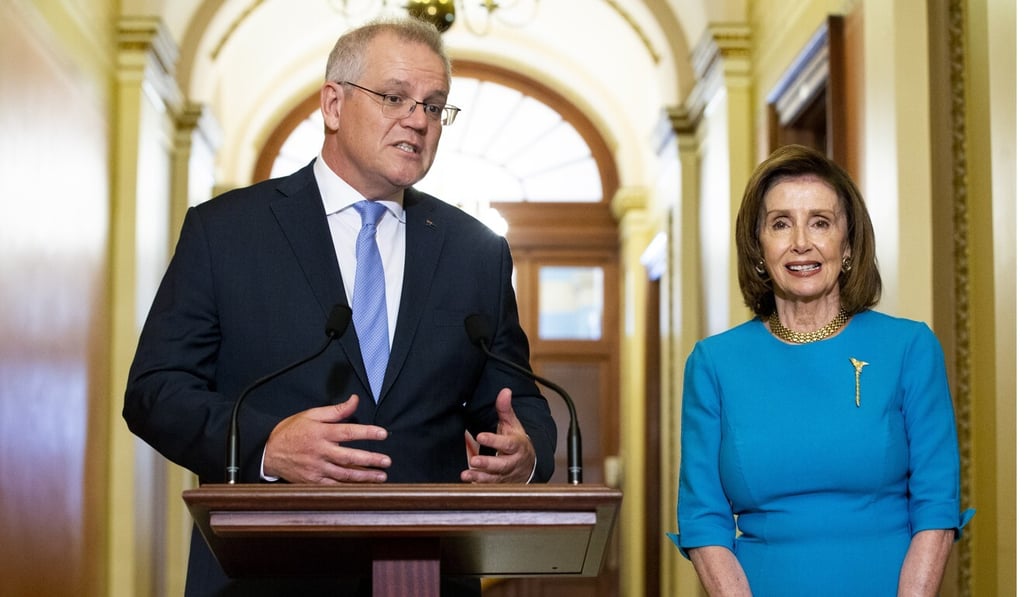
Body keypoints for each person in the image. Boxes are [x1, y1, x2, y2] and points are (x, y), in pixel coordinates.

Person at [123, 16, 557, 597]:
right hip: (264, 576)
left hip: (425, 576)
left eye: (434, 106)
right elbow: (155, 391)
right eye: (395, 97)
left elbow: (518, 403)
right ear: (333, 104)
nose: (417, 120)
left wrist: (523, 454)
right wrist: (267, 444)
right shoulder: (226, 232)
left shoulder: (475, 252)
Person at [668, 144, 973, 596]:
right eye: (780, 224)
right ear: (758, 247)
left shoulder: (909, 348)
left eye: (820, 222)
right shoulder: (713, 363)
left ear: (847, 244)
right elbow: (702, 518)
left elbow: (936, 506)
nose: (801, 243)